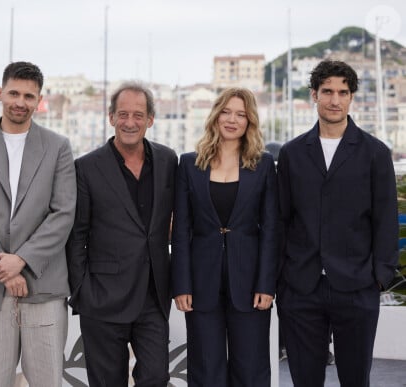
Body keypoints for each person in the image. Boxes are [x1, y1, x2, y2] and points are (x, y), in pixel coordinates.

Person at [277, 59, 399, 386]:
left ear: (351, 97)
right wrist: (282, 279)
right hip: (301, 287)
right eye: (327, 91)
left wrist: (379, 276)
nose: (335, 100)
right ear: (314, 95)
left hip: (357, 286)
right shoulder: (291, 153)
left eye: (343, 92)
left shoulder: (375, 152)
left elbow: (386, 218)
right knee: (304, 379)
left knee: (356, 379)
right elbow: (282, 218)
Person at [0, 61, 76, 387]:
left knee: (47, 381)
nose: (20, 101)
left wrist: (20, 261)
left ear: (38, 100)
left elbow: (63, 213)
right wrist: (4, 268)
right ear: (0, 93)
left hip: (43, 285)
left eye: (28, 95)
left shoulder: (58, 147)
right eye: (14, 93)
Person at [66, 82, 177, 386]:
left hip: (154, 296)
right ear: (111, 116)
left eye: (138, 115)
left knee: (156, 377)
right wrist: (82, 291)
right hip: (102, 298)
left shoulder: (168, 161)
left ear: (150, 119)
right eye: (123, 114)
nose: (130, 122)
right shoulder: (86, 167)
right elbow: (77, 235)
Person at [171, 87, 279, 386]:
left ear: (250, 121)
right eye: (227, 112)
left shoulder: (264, 164)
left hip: (250, 283)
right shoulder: (189, 164)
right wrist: (181, 284)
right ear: (216, 115)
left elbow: (271, 230)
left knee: (252, 369)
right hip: (201, 282)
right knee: (206, 369)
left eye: (241, 114)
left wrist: (266, 284)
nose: (232, 120)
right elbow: (181, 229)